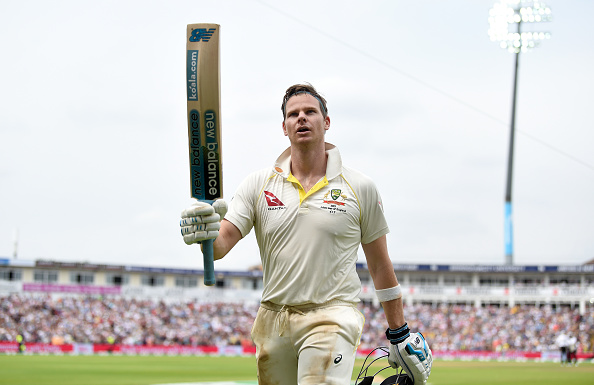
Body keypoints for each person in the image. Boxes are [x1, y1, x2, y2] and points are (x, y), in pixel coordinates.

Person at [180, 83, 432, 385]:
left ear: (326, 122)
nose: (301, 118)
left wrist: (399, 330)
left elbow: (379, 265)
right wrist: (204, 232)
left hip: (332, 315)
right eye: (293, 114)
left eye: (310, 112)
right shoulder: (258, 184)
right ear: (284, 127)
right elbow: (220, 245)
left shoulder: (359, 187)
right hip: (273, 319)